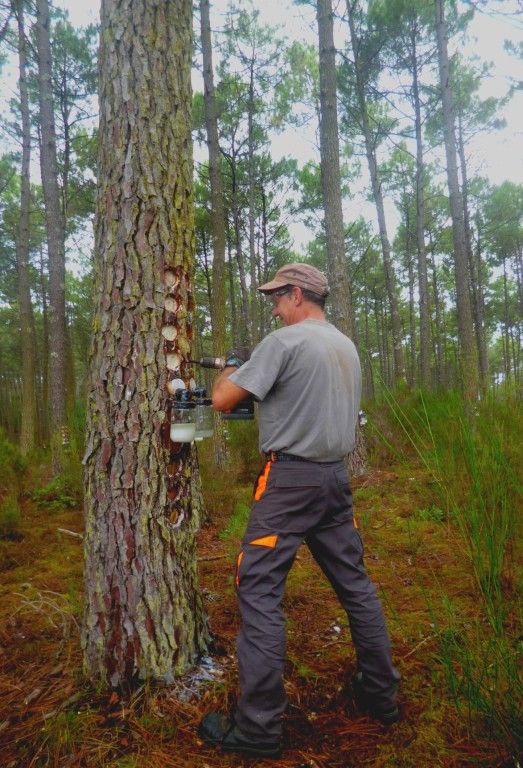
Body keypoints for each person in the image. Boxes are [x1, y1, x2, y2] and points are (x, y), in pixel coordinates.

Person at [199, 263, 400, 759]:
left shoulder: (284, 342)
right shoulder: (345, 346)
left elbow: (224, 399)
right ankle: (381, 696)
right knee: (356, 586)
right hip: (335, 480)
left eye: (276, 297)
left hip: (288, 482)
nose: (273, 307)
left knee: (260, 590)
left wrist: (229, 364)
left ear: (296, 294)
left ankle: (258, 728)